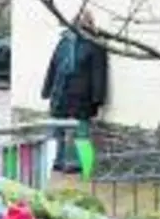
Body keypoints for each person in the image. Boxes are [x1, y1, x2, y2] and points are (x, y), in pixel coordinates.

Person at [41, 9, 109, 173]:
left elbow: (99, 72)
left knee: (82, 133)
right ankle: (56, 161)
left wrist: (97, 98)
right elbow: (53, 66)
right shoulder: (64, 41)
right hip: (61, 92)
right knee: (56, 130)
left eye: (83, 21)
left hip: (81, 96)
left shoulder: (94, 44)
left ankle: (84, 165)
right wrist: (47, 89)